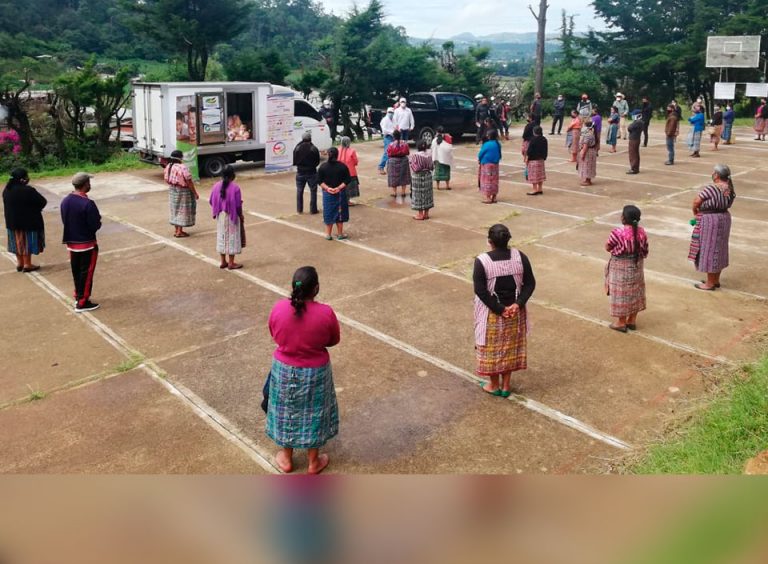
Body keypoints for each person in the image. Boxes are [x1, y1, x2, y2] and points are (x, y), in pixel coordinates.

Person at [266, 266, 340, 474]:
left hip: (284, 369)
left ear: (293, 287)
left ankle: (287, 458)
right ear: (316, 288)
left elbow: (274, 333)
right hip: (315, 371)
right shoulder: (325, 313)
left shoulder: (279, 308)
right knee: (314, 413)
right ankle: (313, 461)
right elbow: (333, 339)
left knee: (286, 410)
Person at [473, 224, 536, 397]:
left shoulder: (482, 261)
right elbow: (530, 283)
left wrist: (500, 309)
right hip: (515, 312)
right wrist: (518, 303)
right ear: (508, 240)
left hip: (492, 313)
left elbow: (481, 291)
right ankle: (506, 386)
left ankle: (494, 385)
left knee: (491, 349)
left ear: (490, 242)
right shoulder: (519, 257)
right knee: (509, 347)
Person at [689, 164, 736, 291]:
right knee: (719, 249)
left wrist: (695, 212)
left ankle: (709, 284)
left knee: (709, 249)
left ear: (717, 175)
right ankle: (715, 280)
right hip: (724, 217)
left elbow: (696, 201)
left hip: (710, 220)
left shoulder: (712, 188)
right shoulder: (729, 188)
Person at [60, 172, 101, 313]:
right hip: (87, 244)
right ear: (85, 185)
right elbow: (95, 224)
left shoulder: (65, 200)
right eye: (89, 182)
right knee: (86, 273)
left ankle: (78, 295)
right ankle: (82, 301)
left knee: (76, 271)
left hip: (72, 243)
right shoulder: (88, 203)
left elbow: (64, 219)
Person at [604, 205, 649, 333]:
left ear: (624, 218)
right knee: (635, 292)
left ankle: (621, 322)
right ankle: (632, 320)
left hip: (620, 267)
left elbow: (608, 247)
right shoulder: (642, 232)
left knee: (621, 293)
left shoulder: (617, 233)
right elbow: (645, 250)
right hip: (637, 265)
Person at [3, 168, 46, 272]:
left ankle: (20, 263)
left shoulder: (6, 190)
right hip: (28, 222)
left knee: (17, 242)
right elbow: (42, 201)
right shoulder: (28, 190)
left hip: (12, 222)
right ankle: (27, 264)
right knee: (27, 242)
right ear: (22, 179)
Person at [209, 165, 244, 270]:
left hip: (221, 216)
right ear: (233, 175)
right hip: (231, 216)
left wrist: (219, 207)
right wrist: (241, 215)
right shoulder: (235, 188)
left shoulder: (216, 186)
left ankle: (223, 261)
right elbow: (238, 205)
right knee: (232, 238)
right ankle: (231, 263)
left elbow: (211, 201)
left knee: (222, 237)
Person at [317, 147, 351, 241]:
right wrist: (338, 188)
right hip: (340, 193)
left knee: (329, 212)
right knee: (340, 213)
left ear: (328, 154)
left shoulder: (323, 167)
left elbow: (319, 181)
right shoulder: (342, 166)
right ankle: (340, 234)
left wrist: (328, 188)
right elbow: (348, 179)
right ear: (337, 155)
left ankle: (328, 234)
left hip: (328, 194)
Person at [164, 149, 199, 238]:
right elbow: (189, 181)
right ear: (180, 157)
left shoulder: (168, 166)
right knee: (182, 210)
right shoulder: (182, 167)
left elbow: (166, 178)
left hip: (172, 189)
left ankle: (176, 230)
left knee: (175, 209)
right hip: (183, 191)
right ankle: (179, 231)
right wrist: (195, 193)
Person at [293, 131, 320, 215]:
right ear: (310, 139)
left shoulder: (297, 147)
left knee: (299, 191)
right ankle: (313, 210)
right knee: (313, 191)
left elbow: (294, 161)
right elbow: (317, 161)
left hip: (300, 172)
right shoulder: (313, 148)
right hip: (311, 172)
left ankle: (299, 209)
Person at [409, 140, 434, 220]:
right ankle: (426, 214)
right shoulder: (429, 155)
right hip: (427, 176)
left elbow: (413, 167)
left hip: (418, 176)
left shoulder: (415, 155)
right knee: (427, 194)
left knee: (418, 195)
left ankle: (420, 215)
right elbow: (432, 167)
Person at [478, 129, 502, 204]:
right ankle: (494, 197)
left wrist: (479, 160)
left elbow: (480, 154)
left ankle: (488, 197)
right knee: (494, 180)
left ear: (489, 136)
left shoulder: (486, 144)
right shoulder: (497, 144)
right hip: (495, 164)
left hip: (487, 164)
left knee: (486, 180)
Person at [386, 129, 411, 198]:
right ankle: (403, 192)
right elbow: (408, 152)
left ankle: (394, 192)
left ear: (393, 137)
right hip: (403, 160)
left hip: (393, 161)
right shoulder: (405, 143)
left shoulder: (391, 144)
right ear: (400, 136)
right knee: (404, 176)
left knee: (393, 177)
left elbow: (388, 153)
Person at [524, 126, 547, 196]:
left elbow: (529, 151)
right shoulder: (544, 139)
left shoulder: (533, 140)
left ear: (534, 132)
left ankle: (535, 189)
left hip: (533, 160)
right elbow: (546, 149)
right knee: (540, 175)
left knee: (533, 175)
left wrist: (526, 159)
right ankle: (540, 188)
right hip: (541, 159)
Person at [338, 137, 360, 205]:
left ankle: (341, 200)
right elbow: (355, 162)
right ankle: (347, 201)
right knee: (349, 187)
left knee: (341, 186)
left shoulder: (338, 150)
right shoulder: (352, 151)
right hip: (350, 172)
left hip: (339, 172)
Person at [431, 126, 454, 190]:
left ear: (437, 132)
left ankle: (438, 186)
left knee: (438, 173)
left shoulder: (434, 140)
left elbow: (432, 149)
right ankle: (447, 186)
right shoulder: (447, 138)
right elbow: (449, 148)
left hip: (437, 159)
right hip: (446, 159)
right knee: (446, 172)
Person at [578, 119, 598, 185]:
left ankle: (587, 181)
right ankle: (588, 180)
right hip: (592, 152)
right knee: (590, 166)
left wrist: (582, 154)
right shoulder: (592, 134)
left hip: (588, 152)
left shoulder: (587, 135)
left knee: (586, 166)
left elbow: (585, 146)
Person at [378, 107, 395, 174]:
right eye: (389, 112)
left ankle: (389, 167)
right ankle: (381, 166)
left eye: (392, 112)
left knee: (392, 153)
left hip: (393, 137)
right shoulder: (385, 120)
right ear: (387, 112)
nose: (391, 114)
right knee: (387, 152)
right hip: (388, 137)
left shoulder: (393, 119)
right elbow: (384, 130)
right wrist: (392, 132)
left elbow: (395, 126)